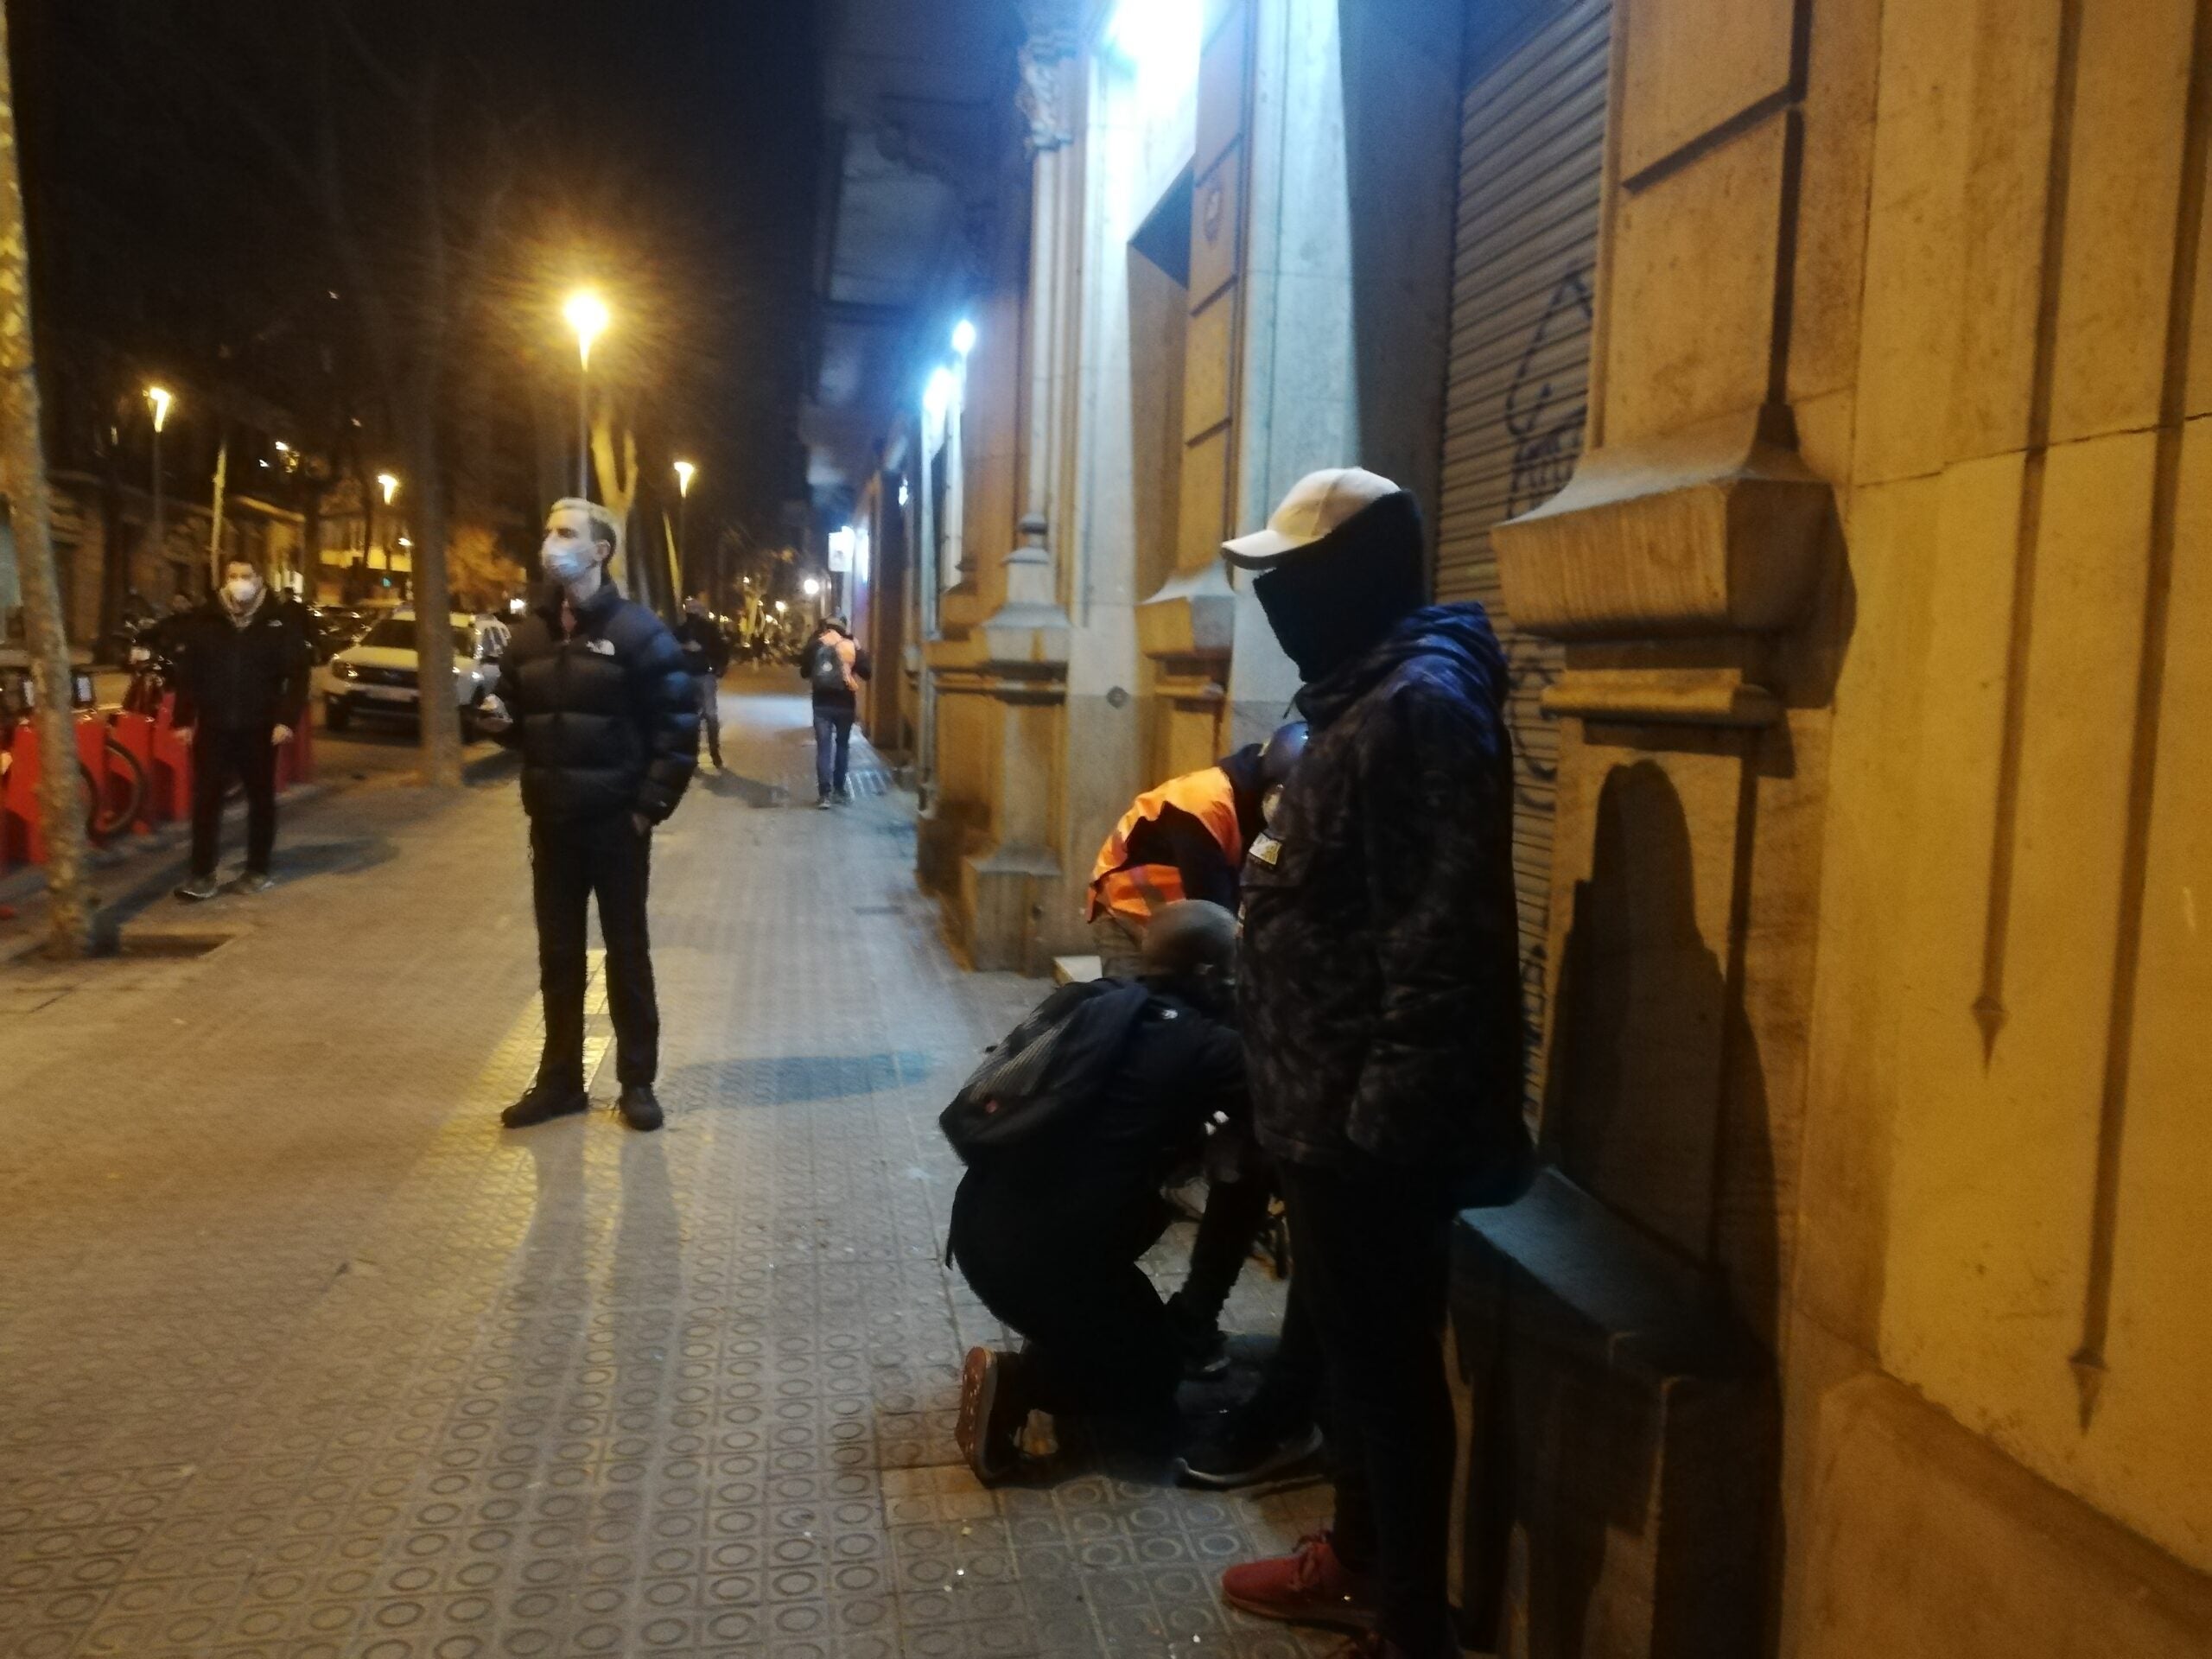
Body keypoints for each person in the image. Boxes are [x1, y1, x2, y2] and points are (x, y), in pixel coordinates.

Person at [1213, 467, 1527, 1659]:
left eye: (1289, 579)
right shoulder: (1357, 700)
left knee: (1391, 1375)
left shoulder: (1422, 707)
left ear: (1346, 581)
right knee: (1352, 1355)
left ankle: (1407, 1626)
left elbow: (1438, 942)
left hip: (1369, 1128)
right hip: (1321, 1109)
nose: (1275, 603)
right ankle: (1354, 1559)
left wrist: (1371, 1132)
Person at [950, 900, 1247, 1484]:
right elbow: (1255, 1153)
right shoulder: (1211, 1048)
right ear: (1211, 973)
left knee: (1129, 1330)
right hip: (1044, 1263)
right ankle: (1019, 1383)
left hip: (979, 1228)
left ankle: (1063, 1350)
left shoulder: (1098, 1003)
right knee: (1154, 1376)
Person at [476, 499, 698, 1135]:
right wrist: (498, 722)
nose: (551, 542)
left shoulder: (639, 634)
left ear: (600, 552)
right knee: (559, 954)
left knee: (627, 952)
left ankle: (637, 1083)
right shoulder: (530, 635)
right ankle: (561, 1083)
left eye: (566, 533)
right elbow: (520, 721)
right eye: (548, 530)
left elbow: (677, 729)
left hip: (615, 826)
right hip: (552, 825)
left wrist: (645, 810)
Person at [1085, 725, 1302, 978]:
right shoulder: (1203, 804)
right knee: (1133, 1006)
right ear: (1274, 789)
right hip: (1127, 906)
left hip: (1179, 916)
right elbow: (1213, 909)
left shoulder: (1258, 803)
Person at [169, 557, 310, 900]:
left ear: (259, 579)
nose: (239, 582)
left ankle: (257, 868)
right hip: (215, 725)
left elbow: (297, 675)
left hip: (260, 727)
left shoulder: (279, 621)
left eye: (246, 576)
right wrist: (184, 719)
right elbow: (190, 672)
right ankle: (202, 874)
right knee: (206, 801)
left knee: (261, 799)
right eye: (232, 576)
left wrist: (285, 720)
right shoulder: (207, 620)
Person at [798, 617, 869, 807]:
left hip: (821, 704)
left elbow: (804, 672)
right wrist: (858, 650)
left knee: (823, 748)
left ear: (826, 628)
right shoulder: (850, 645)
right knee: (843, 745)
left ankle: (824, 795)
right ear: (843, 629)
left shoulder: (816, 644)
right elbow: (867, 672)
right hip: (845, 704)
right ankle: (840, 790)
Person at [673, 594, 730, 768]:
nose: (692, 611)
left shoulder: (710, 629)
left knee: (711, 715)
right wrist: (684, 648)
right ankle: (693, 754)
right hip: (687, 676)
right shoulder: (681, 630)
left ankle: (714, 751)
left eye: (695, 608)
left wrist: (705, 652)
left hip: (705, 675)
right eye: (689, 608)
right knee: (692, 717)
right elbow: (670, 647)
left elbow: (722, 649)